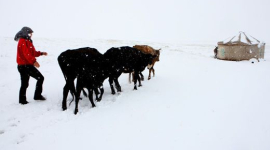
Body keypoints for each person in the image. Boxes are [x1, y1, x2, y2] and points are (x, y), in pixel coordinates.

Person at [14, 27, 48, 105]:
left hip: (25, 65)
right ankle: (36, 96)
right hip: (25, 66)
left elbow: (33, 53)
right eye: (30, 33)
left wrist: (41, 53)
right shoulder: (23, 41)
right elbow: (27, 54)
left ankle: (23, 99)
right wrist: (34, 61)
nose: (31, 35)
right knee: (39, 78)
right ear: (25, 33)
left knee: (25, 83)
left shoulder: (27, 41)